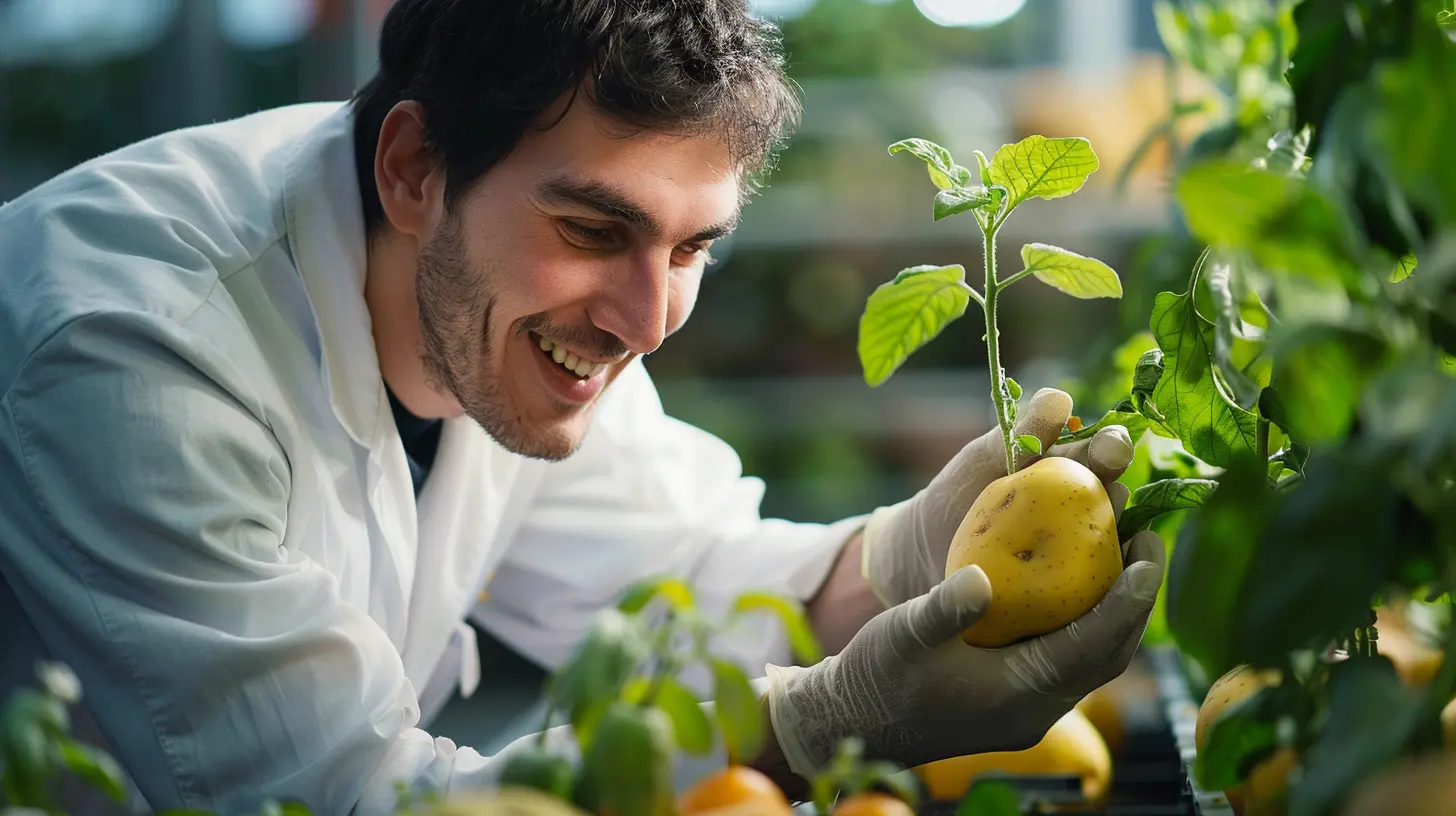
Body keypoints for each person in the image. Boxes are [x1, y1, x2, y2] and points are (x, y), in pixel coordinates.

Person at [0, 1, 1165, 814]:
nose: (650, 321)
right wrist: (819, 723)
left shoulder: (502, 314)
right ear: (412, 170)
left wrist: (913, 556)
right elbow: (345, 804)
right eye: (595, 231)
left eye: (692, 248)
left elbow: (700, 582)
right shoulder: (134, 349)